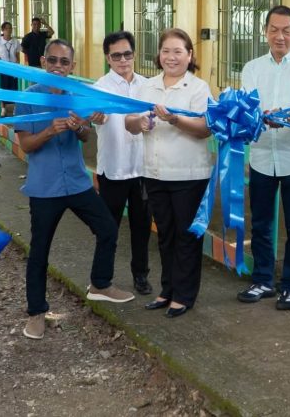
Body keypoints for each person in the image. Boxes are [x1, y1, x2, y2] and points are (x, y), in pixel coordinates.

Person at [15, 39, 134, 340]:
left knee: (108, 228)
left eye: (64, 62)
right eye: (52, 61)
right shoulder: (26, 97)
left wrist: (80, 126)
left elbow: (85, 138)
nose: (57, 67)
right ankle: (36, 313)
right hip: (44, 188)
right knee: (40, 250)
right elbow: (26, 145)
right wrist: (48, 131)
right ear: (42, 62)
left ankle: (100, 284)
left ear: (72, 66)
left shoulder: (77, 95)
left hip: (78, 183)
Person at [125, 29, 212, 318]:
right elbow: (129, 122)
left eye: (178, 51)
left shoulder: (198, 88)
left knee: (186, 236)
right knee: (164, 235)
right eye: (166, 51)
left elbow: (205, 129)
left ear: (189, 56)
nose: (171, 57)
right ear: (158, 55)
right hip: (155, 172)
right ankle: (167, 289)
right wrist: (141, 123)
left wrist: (174, 119)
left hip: (189, 174)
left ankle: (184, 295)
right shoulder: (146, 87)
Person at [236, 5, 290, 310]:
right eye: (273, 29)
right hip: (260, 157)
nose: (279, 36)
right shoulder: (252, 68)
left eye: (286, 30)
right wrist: (258, 117)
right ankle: (263, 280)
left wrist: (282, 117)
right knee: (260, 222)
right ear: (265, 31)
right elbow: (246, 109)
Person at [88, 31, 153, 296]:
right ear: (108, 58)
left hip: (143, 169)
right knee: (108, 229)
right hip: (113, 169)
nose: (123, 60)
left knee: (142, 227)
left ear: (134, 54)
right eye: (116, 55)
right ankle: (102, 280)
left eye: (127, 54)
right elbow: (96, 119)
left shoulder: (148, 86)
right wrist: (96, 118)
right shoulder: (98, 88)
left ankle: (141, 275)